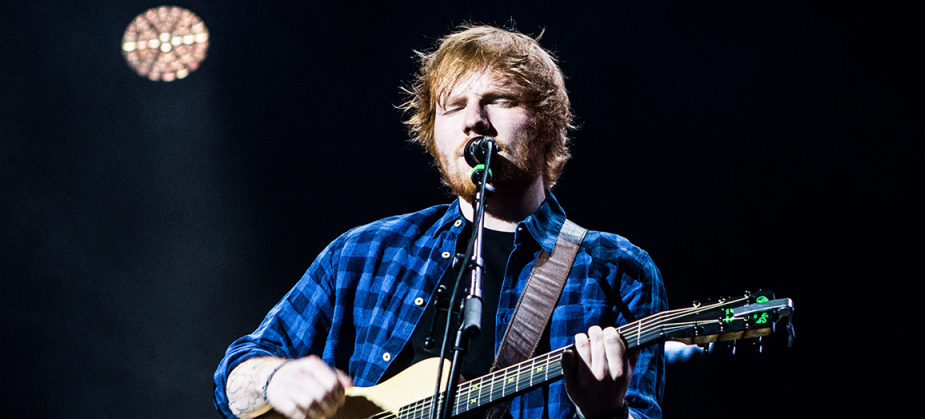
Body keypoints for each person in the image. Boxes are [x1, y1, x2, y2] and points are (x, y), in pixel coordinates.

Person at [213, 24, 667, 419]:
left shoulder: (614, 269)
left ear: (548, 123)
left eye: (500, 100)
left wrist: (606, 411)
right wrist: (275, 379)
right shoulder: (364, 253)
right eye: (453, 106)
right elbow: (235, 375)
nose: (475, 121)